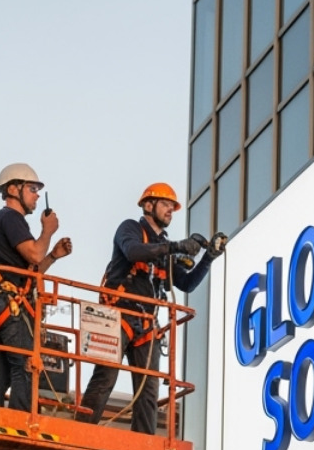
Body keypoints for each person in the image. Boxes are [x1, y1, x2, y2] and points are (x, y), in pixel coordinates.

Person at [79, 182, 219, 435]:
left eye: (172, 207)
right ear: (148, 205)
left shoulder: (164, 247)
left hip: (146, 323)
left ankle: (144, 441)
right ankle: (81, 432)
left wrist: (207, 257)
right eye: (165, 204)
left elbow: (186, 283)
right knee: (105, 378)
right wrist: (176, 247)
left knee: (149, 389)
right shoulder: (131, 229)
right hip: (117, 314)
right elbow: (133, 252)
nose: (170, 211)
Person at [0, 162, 72, 412]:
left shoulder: (5, 221)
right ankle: (22, 422)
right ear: (13, 189)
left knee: (0, 374)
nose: (37, 195)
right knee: (25, 366)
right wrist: (48, 231)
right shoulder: (11, 217)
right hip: (7, 305)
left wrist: (52, 255)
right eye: (32, 189)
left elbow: (31, 271)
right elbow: (33, 254)